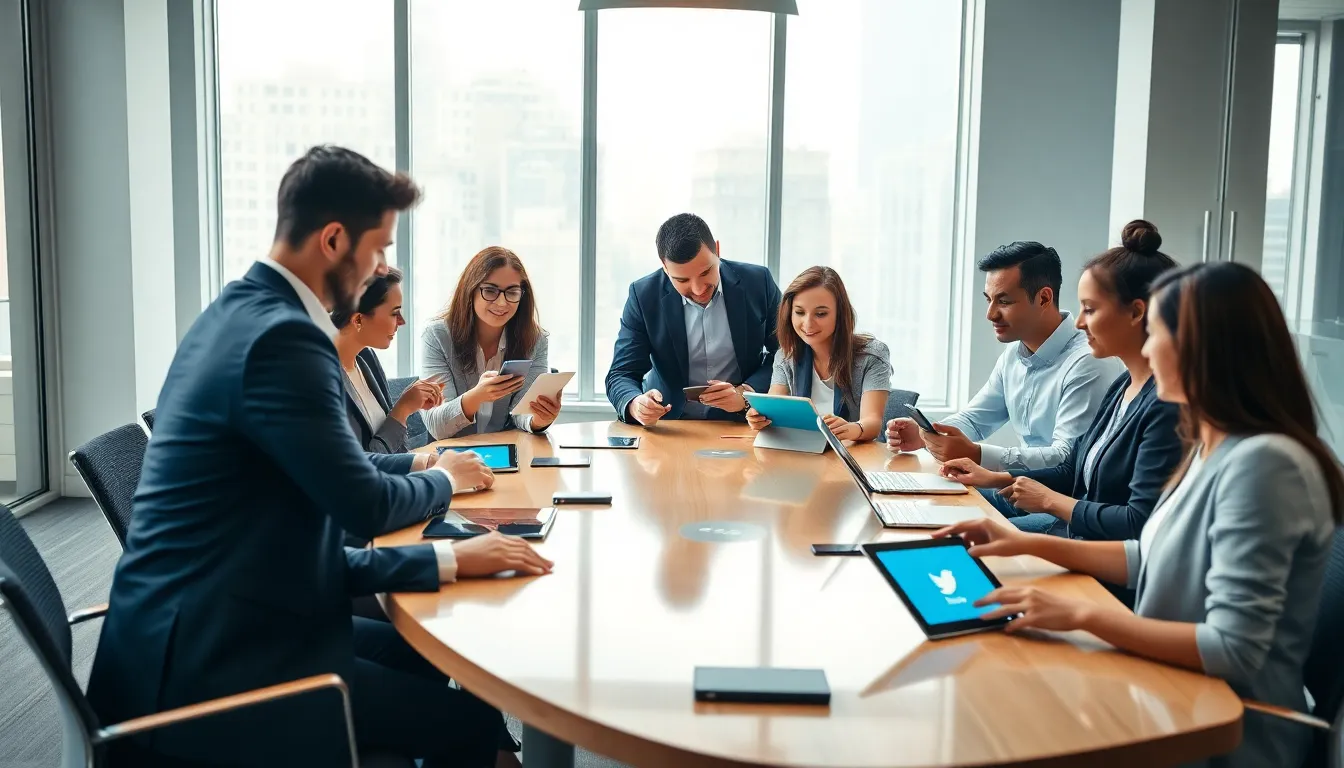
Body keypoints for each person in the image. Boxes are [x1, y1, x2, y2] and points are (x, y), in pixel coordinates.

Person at [86, 146, 552, 767]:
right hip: (213, 667)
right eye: (378, 249)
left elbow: (292, 539)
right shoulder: (286, 339)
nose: (381, 267)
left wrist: (448, 556)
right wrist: (444, 493)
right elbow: (362, 502)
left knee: (431, 656)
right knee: (467, 721)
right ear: (334, 240)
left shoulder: (237, 310)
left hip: (228, 613)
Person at [936, 261, 1343, 768]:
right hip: (1169, 691)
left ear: (1204, 347)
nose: (1147, 350)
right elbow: (1149, 555)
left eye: (1159, 334)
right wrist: (1023, 542)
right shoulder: (1212, 447)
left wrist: (1083, 615)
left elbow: (1233, 649)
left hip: (1224, 731)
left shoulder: (1266, 464)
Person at [938, 221, 1182, 539]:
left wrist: (1048, 501)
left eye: (1089, 310)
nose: (1078, 322)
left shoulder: (1162, 404)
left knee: (969, 538)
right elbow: (1073, 468)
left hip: (1093, 540)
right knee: (950, 516)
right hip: (1076, 525)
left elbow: (1138, 523)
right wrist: (995, 477)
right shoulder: (1123, 387)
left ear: (1136, 313)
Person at [886, 240, 1118, 474]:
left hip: (1056, 492)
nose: (990, 314)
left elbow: (1067, 459)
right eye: (989, 300)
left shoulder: (1088, 363)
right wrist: (926, 435)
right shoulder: (1013, 356)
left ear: (1044, 299)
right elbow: (975, 419)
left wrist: (976, 454)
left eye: (1004, 301)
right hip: (1019, 485)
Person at [606, 213, 783, 425]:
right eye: (682, 280)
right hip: (669, 425)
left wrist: (746, 393)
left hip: (742, 422)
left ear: (717, 250)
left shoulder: (758, 282)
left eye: (706, 272)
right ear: (664, 266)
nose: (698, 290)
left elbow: (787, 352)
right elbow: (622, 373)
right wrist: (635, 404)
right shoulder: (643, 295)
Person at [421, 246, 560, 438]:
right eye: (490, 290)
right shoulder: (437, 336)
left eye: (512, 292)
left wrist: (539, 420)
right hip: (453, 452)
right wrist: (477, 396)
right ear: (470, 291)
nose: (502, 303)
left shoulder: (536, 340)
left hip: (506, 449)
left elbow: (523, 412)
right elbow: (437, 426)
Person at [747, 266, 892, 442]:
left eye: (821, 314)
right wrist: (761, 418)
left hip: (854, 453)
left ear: (840, 314)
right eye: (799, 312)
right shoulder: (785, 357)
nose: (808, 323)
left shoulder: (872, 355)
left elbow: (872, 422)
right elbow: (775, 407)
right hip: (804, 450)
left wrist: (852, 429)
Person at [332, 267, 442, 454]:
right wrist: (402, 409)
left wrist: (409, 405)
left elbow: (396, 450)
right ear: (358, 320)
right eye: (394, 313)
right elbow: (363, 462)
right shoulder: (323, 378)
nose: (402, 321)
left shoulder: (366, 358)